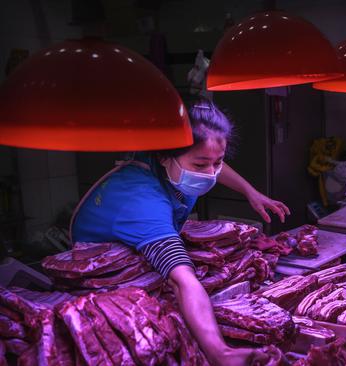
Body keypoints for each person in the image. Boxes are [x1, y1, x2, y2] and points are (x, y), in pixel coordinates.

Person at [71, 99, 290, 366]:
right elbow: (181, 279)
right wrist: (220, 353)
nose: (210, 174)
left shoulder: (169, 162)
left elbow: (208, 158)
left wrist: (249, 192)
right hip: (98, 281)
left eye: (217, 163)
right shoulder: (143, 201)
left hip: (140, 260)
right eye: (200, 166)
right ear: (165, 156)